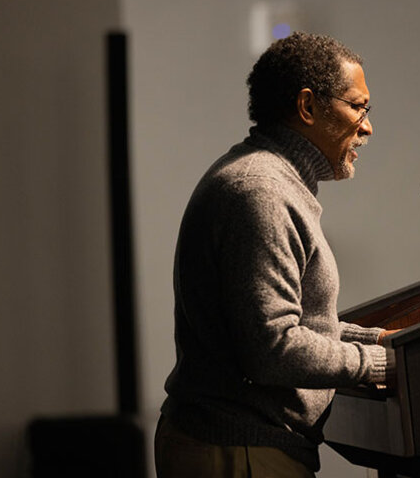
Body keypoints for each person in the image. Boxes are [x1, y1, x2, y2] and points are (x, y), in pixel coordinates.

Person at [155, 32, 394, 478]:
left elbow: (286, 321)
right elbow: (272, 347)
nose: (367, 126)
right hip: (238, 450)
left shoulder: (271, 181)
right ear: (307, 107)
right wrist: (381, 365)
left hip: (244, 446)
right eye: (358, 107)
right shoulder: (260, 192)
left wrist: (376, 341)